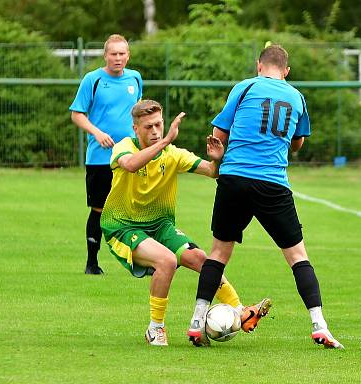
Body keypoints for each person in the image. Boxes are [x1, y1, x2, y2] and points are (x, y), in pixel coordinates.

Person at [186, 44, 343, 349]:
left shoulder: (245, 87)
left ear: (259, 65)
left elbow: (219, 134)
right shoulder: (296, 97)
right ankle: (319, 326)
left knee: (218, 253)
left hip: (234, 179)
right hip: (272, 183)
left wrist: (221, 152)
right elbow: (297, 143)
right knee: (298, 257)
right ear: (286, 71)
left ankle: (196, 322)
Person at [101, 99, 269, 346]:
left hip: (161, 226)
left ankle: (240, 310)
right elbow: (130, 164)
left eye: (159, 124)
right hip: (123, 227)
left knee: (202, 259)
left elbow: (212, 172)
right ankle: (155, 328)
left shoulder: (173, 155)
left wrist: (218, 160)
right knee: (166, 261)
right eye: (148, 127)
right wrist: (166, 141)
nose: (156, 131)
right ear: (135, 128)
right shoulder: (124, 147)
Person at [69, 34, 142, 275]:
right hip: (100, 158)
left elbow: (139, 114)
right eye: (113, 54)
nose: (118, 58)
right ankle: (92, 262)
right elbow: (77, 114)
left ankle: (141, 261)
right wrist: (97, 133)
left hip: (130, 158)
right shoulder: (93, 80)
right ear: (105, 56)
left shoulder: (135, 78)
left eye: (122, 54)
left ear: (128, 56)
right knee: (100, 209)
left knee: (134, 208)